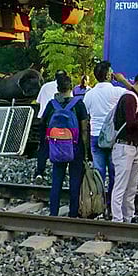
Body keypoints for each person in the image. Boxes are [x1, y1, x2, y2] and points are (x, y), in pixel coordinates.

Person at [82, 61, 133, 214]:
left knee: (98, 171)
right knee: (113, 171)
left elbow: (87, 116)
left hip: (95, 137)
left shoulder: (89, 94)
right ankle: (111, 205)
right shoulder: (118, 92)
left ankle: (99, 203)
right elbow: (134, 93)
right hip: (112, 138)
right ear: (109, 74)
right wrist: (122, 80)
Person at [110, 72, 138, 223]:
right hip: (124, 146)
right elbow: (130, 123)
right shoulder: (130, 98)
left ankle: (128, 216)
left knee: (131, 185)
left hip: (133, 147)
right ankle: (118, 218)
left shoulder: (134, 96)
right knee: (121, 185)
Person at [45, 73, 89, 217]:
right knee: (75, 181)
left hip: (57, 147)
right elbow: (84, 128)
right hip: (75, 147)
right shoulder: (78, 104)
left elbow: (44, 125)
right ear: (71, 88)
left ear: (57, 88)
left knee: (57, 180)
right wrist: (85, 150)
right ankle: (73, 213)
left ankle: (53, 213)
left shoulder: (51, 105)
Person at [34, 69, 68, 180]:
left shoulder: (45, 86)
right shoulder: (65, 88)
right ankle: (59, 171)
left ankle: (40, 171)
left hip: (44, 119)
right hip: (58, 121)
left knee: (43, 146)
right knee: (60, 145)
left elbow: (38, 102)